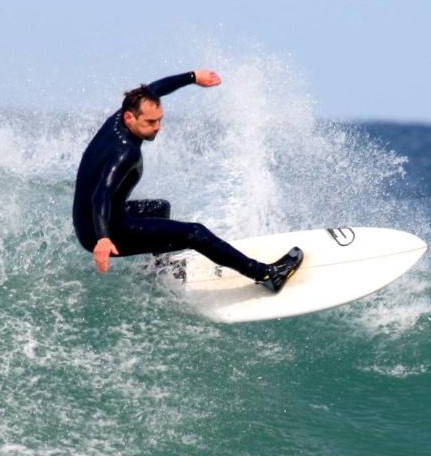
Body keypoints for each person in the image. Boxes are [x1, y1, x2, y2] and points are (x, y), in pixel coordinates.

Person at [72, 70, 303, 292]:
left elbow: (155, 89)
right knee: (195, 233)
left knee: (159, 208)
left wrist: (193, 77)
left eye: (160, 120)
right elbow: (101, 193)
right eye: (151, 122)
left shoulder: (120, 118)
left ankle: (158, 270)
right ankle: (265, 274)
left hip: (90, 220)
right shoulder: (125, 153)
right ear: (130, 118)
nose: (158, 128)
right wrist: (103, 238)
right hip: (101, 230)